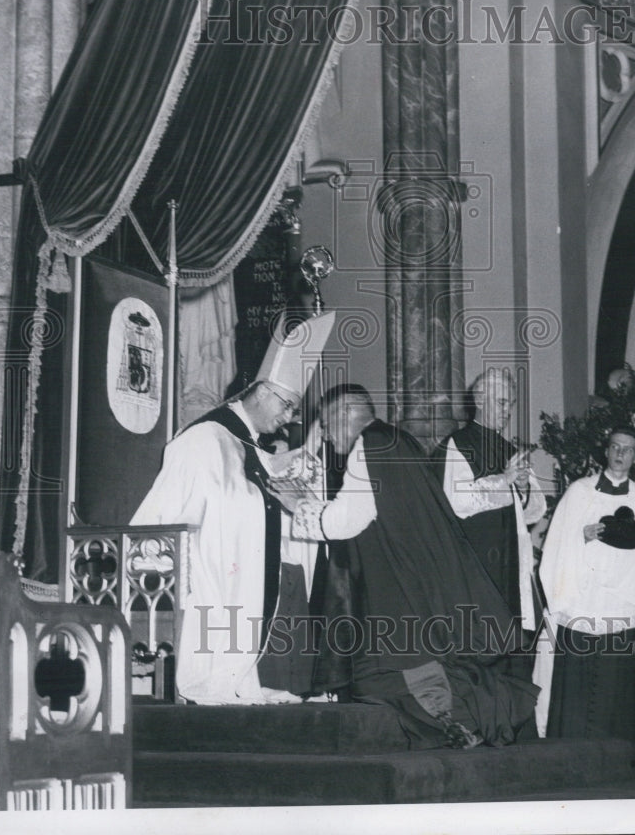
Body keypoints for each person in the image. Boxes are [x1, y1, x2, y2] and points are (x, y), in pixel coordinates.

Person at [287, 383, 539, 749]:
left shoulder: (369, 445)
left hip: (398, 579)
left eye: (325, 424)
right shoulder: (396, 439)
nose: (324, 435)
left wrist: (298, 504)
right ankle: (460, 722)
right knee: (409, 664)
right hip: (417, 570)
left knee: (396, 668)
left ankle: (472, 720)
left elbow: (347, 521)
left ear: (345, 414)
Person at [130, 312, 334, 705]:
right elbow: (162, 520)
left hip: (241, 588)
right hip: (207, 586)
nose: (289, 419)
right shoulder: (203, 440)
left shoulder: (251, 447)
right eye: (288, 406)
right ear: (262, 391)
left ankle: (237, 683)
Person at [537, 426, 635, 757]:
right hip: (582, 603)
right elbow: (554, 545)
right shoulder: (579, 493)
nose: (620, 454)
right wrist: (581, 537)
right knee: (577, 690)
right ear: (606, 450)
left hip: (618, 605)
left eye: (628, 449)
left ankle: (617, 756)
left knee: (614, 688)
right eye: (615, 446)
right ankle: (569, 754)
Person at [434, 368, 546, 641]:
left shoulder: (509, 449)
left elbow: (536, 509)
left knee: (511, 644)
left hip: (510, 561)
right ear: (481, 401)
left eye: (511, 404)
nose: (508, 411)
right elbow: (458, 501)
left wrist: (523, 488)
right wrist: (505, 480)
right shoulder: (457, 444)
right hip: (476, 563)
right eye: (502, 402)